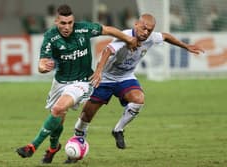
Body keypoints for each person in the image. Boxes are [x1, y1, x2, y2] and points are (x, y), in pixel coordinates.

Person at [16, 4, 138, 164]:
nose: (67, 27)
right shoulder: (50, 37)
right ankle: (53, 147)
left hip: (81, 82)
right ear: (56, 22)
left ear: (74, 21)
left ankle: (32, 146)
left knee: (58, 109)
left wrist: (128, 38)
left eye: (70, 23)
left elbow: (108, 30)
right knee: (58, 117)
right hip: (60, 82)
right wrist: (43, 68)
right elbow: (41, 63)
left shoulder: (83, 29)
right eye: (63, 23)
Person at [71, 13, 204, 156]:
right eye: (144, 28)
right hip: (106, 78)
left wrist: (185, 46)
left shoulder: (151, 38)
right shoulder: (125, 36)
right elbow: (107, 51)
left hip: (125, 77)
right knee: (87, 115)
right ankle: (78, 140)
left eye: (150, 30)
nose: (146, 33)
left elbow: (165, 36)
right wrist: (98, 71)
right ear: (136, 24)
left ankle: (118, 130)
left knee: (138, 99)